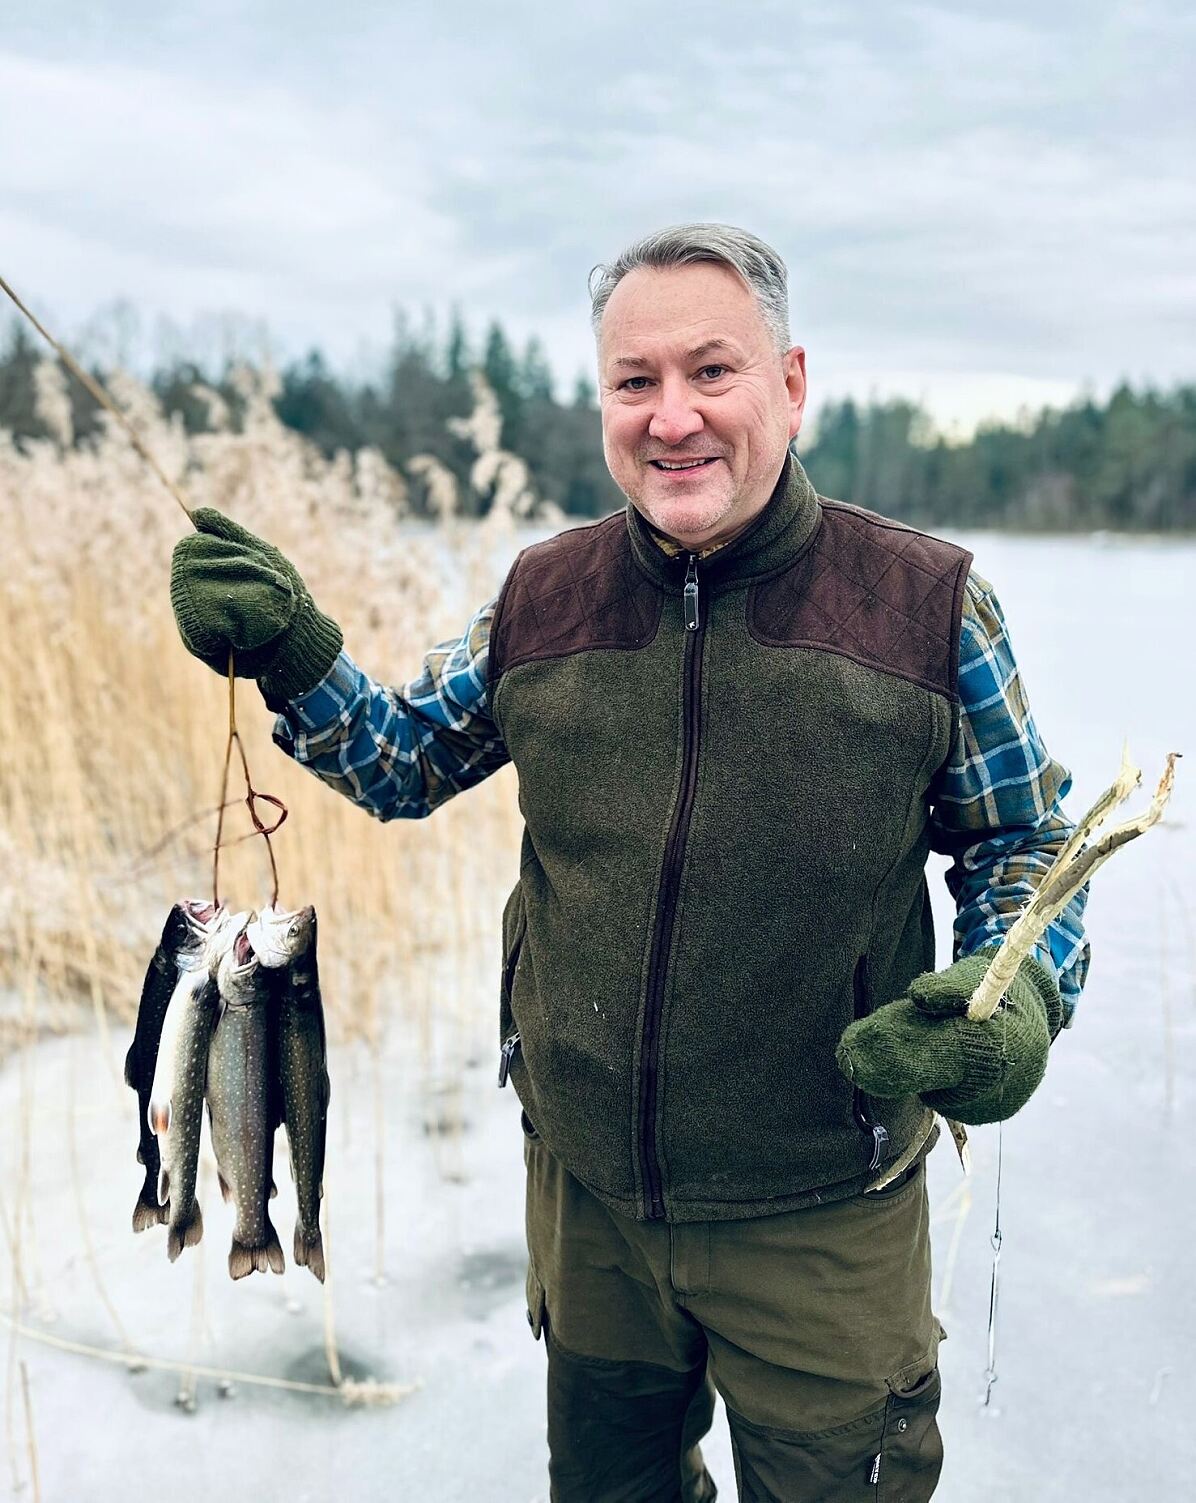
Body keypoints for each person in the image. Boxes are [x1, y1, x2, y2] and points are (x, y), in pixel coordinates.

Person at [170, 223, 1089, 1502]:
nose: (672, 420)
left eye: (711, 373)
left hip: (818, 1210)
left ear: (790, 383)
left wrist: (1013, 993)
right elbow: (400, 761)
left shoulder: (924, 607)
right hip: (590, 1202)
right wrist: (288, 647)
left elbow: (1022, 841)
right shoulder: (545, 598)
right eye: (633, 381)